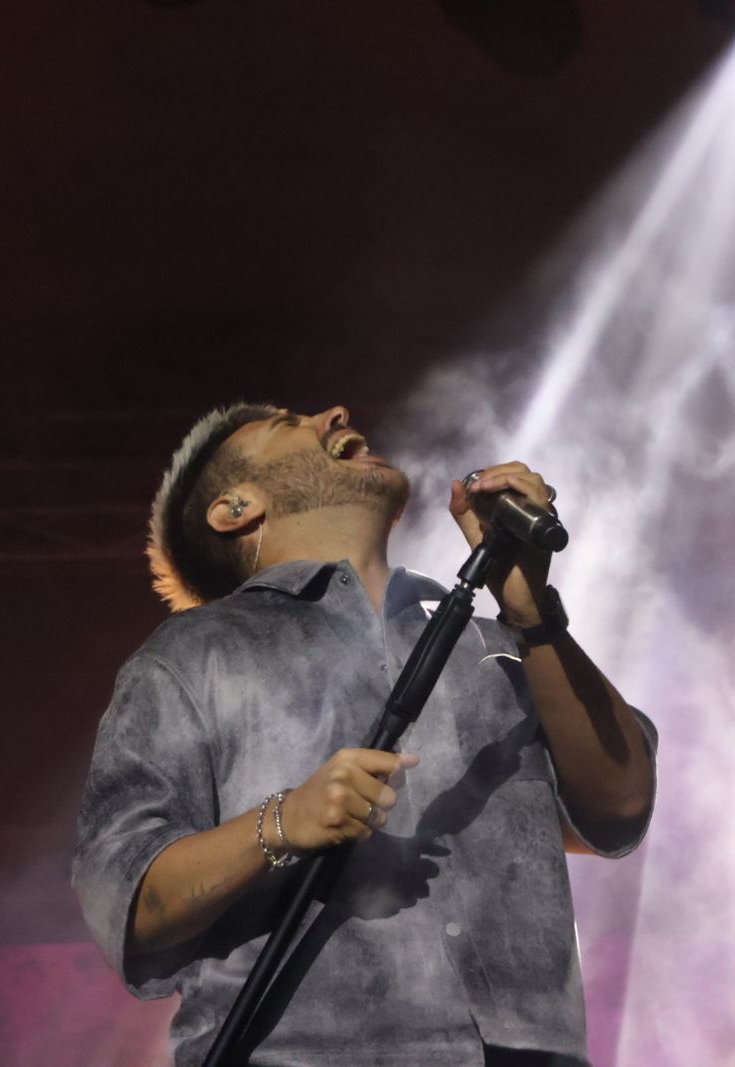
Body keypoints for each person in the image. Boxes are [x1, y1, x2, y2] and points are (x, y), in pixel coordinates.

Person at [73, 403, 657, 1066]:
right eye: (287, 424)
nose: (336, 412)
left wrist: (532, 611)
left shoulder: (499, 643)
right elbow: (126, 902)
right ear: (236, 506)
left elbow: (620, 809)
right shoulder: (190, 658)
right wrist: (282, 821)